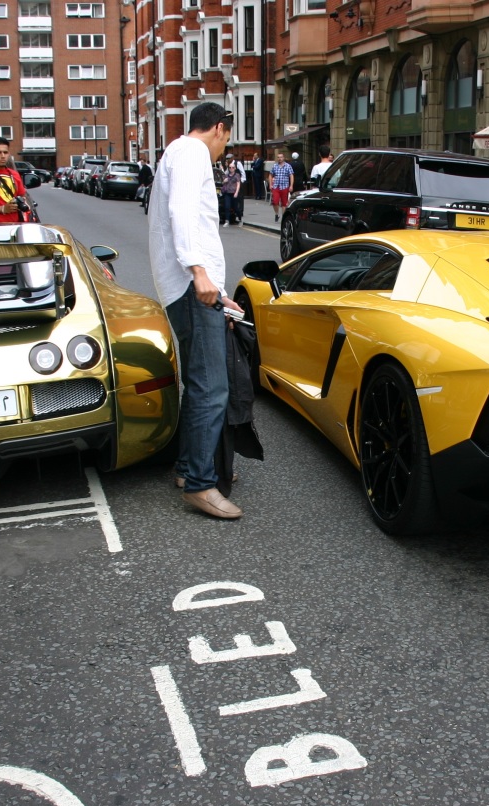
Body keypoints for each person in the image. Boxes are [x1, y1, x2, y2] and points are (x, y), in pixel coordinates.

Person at [148, 102, 245, 520]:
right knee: (212, 387)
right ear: (220, 129)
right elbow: (184, 215)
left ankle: (190, 469)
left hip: (188, 287)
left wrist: (217, 290)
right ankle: (202, 485)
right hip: (192, 285)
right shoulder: (191, 154)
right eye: (227, 138)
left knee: (198, 382)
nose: (225, 148)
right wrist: (201, 274)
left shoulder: (174, 153)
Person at [268, 151, 295, 222]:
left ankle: (283, 217)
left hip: (285, 186)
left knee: (284, 203)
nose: (279, 159)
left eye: (281, 157)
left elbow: (291, 176)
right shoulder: (275, 166)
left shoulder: (288, 166)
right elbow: (270, 175)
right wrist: (270, 184)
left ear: (284, 158)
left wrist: (291, 185)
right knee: (275, 201)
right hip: (276, 186)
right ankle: (277, 214)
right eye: (278, 157)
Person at [221, 156, 244, 225]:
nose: (231, 169)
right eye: (230, 167)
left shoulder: (237, 175)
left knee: (236, 208)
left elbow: (238, 184)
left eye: (233, 167)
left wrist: (236, 192)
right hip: (227, 193)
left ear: (235, 168)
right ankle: (227, 221)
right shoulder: (226, 174)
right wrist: (224, 181)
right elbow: (222, 182)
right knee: (227, 207)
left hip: (234, 193)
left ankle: (240, 219)